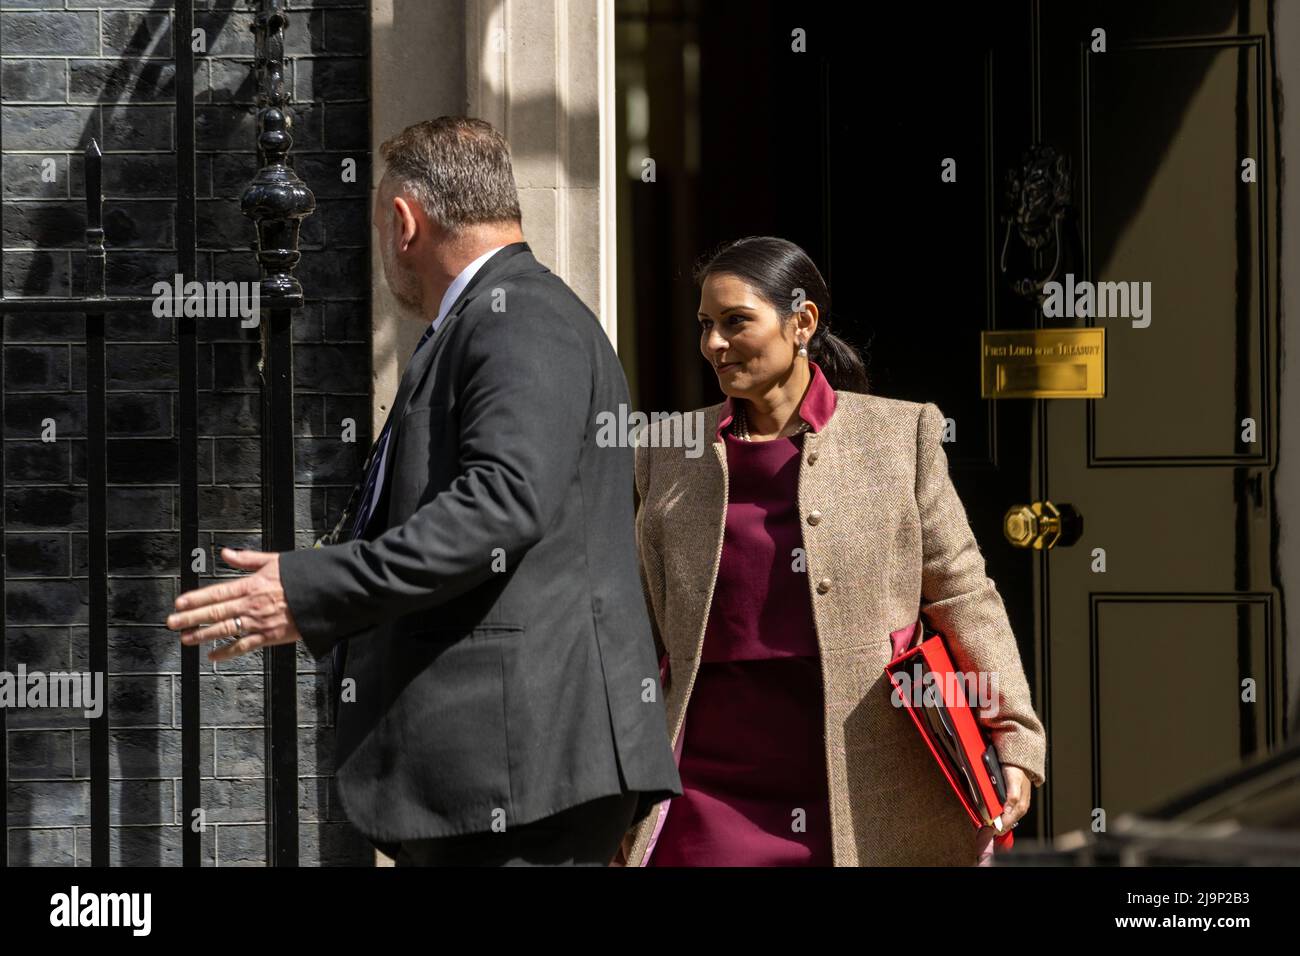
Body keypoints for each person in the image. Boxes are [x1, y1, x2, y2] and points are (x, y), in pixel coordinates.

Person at [165, 116, 681, 866]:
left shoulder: (519, 317)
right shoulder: (491, 318)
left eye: (380, 226)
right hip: (501, 767)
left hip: (522, 770)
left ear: (404, 221)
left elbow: (500, 505)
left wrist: (314, 587)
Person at [618, 236, 1046, 866]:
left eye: (736, 322)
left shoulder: (899, 436)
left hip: (869, 783)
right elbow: (634, 632)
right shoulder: (664, 452)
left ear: (802, 322)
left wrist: (1014, 737)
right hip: (707, 785)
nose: (713, 344)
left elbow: (961, 592)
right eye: (706, 325)